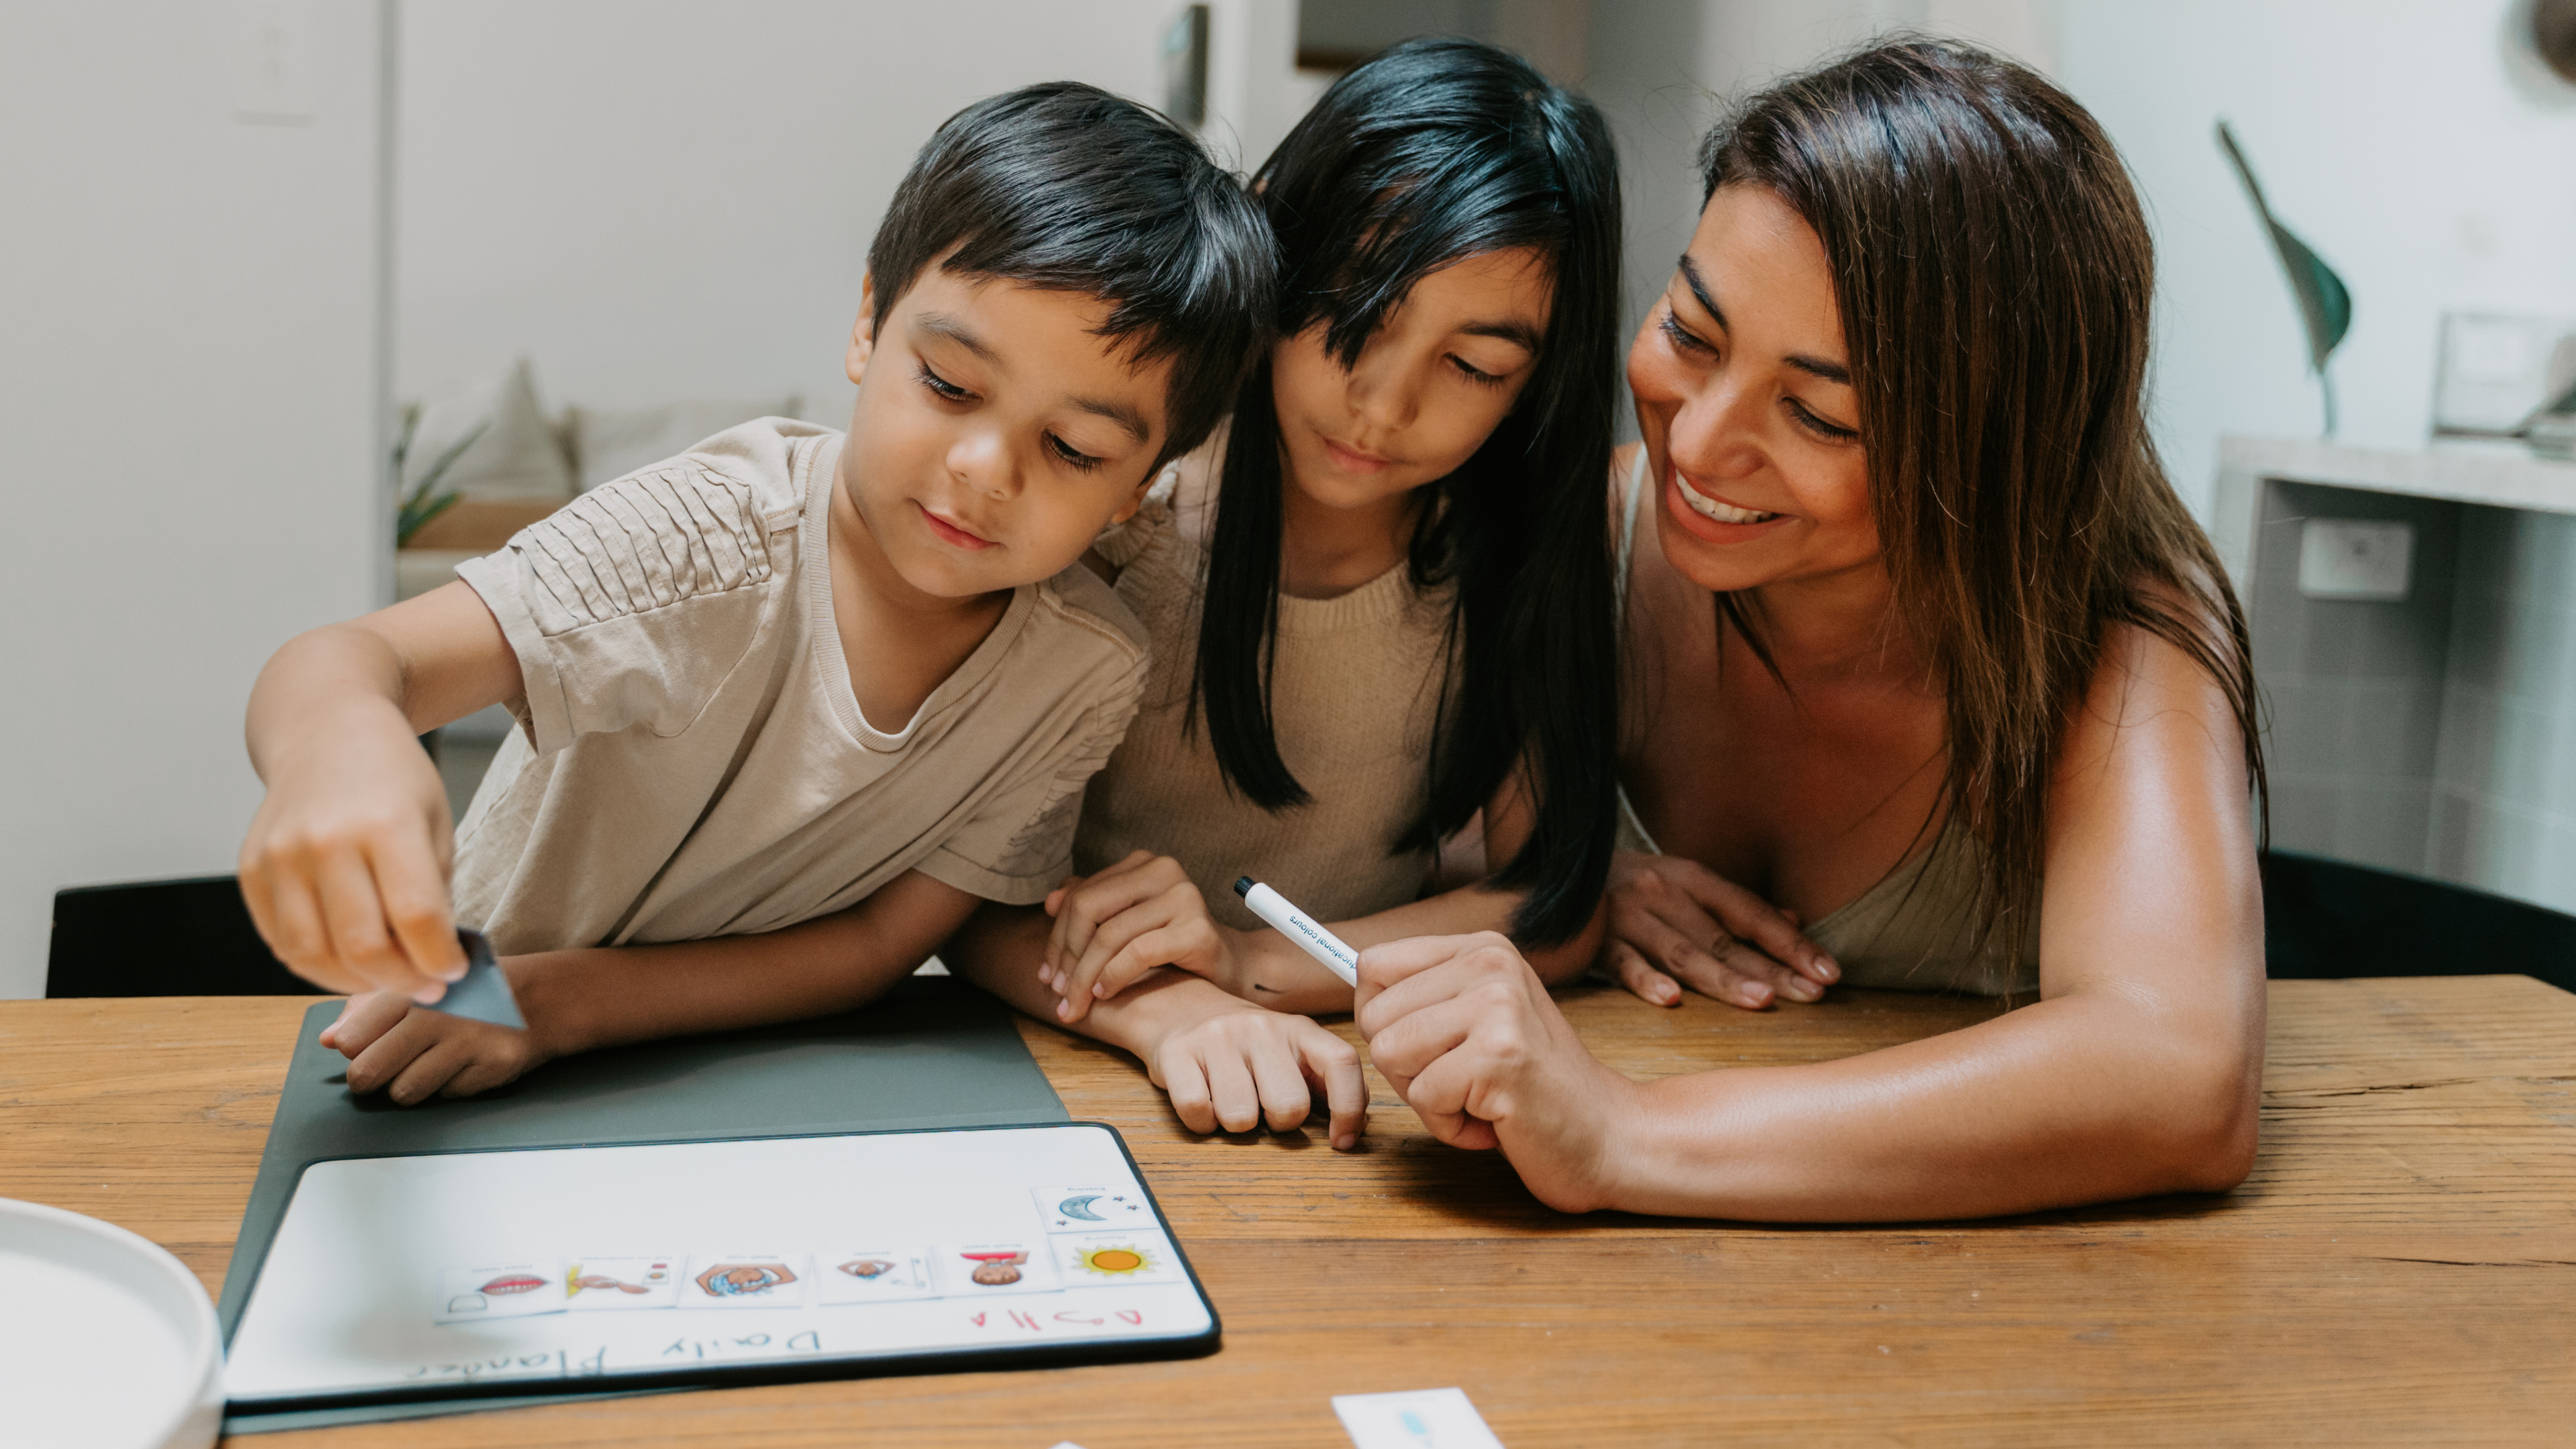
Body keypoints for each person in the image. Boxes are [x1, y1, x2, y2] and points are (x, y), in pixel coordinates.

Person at [1354, 40, 2269, 1220]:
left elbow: (2178, 1075)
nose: (1695, 446)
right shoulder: (1570, 539)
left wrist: (1627, 1130)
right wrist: (1574, 874)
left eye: (1820, 414)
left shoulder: (2122, 625)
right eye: (1690, 333)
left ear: (1996, 456)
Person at [234, 83, 1282, 1103]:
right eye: (952, 386)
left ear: (1132, 494)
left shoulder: (1083, 670)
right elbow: (348, 662)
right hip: (452, 1036)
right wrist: (339, 751)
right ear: (871, 320)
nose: (985, 466)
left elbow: (876, 946)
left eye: (1071, 447)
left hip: (742, 1070)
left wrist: (560, 1007)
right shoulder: (707, 533)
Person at [943, 38, 1624, 1150]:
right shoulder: (1118, 500)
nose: (1382, 403)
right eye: (1357, 305)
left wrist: (1252, 961)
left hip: (1332, 1087)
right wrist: (1172, 1007)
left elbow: (1549, 907)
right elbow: (955, 892)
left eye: (1474, 366)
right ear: (1269, 241)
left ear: (1539, 380)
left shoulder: (1502, 557)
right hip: (1060, 1063)